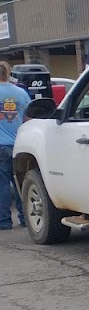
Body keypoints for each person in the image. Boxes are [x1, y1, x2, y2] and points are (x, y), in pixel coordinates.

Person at [1, 61, 32, 231]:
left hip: (0, 145)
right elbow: (29, 118)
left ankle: (4, 222)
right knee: (20, 182)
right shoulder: (21, 93)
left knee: (2, 184)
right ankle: (25, 218)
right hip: (18, 144)